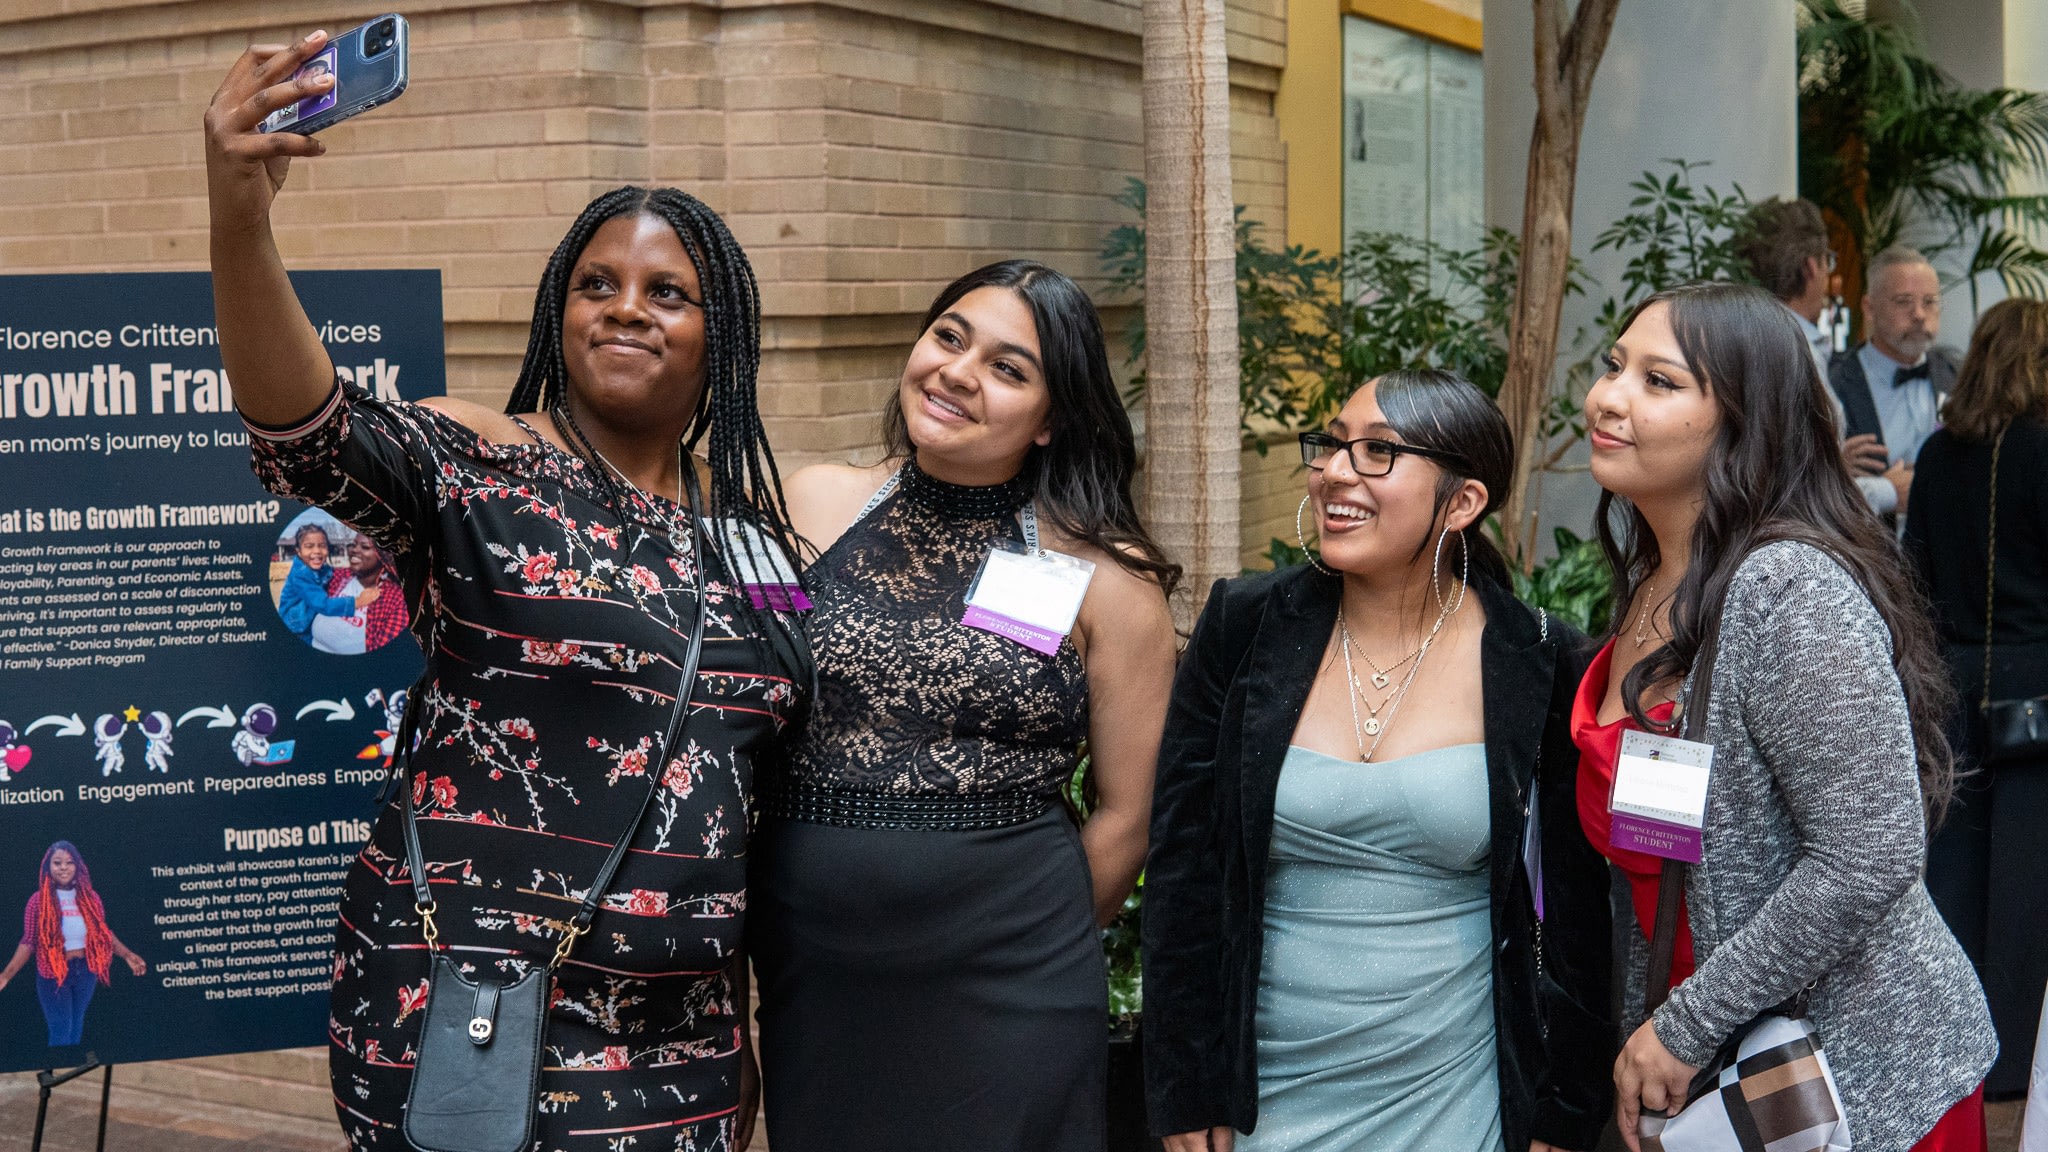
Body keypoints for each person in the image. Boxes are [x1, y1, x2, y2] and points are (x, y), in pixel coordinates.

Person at [205, 30, 809, 1150]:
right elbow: (306, 432)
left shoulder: (755, 538)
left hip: (684, 1038)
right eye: (596, 284)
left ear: (719, 334)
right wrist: (241, 215)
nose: (625, 308)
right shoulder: (483, 462)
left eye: (667, 292)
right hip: (472, 1011)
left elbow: (755, 782)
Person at [750, 260, 1178, 1151]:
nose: (957, 371)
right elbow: (744, 688)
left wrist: (1029, 929)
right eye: (949, 337)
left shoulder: (1109, 582)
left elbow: (1130, 815)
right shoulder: (806, 505)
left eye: (1007, 368)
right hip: (817, 974)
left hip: (1011, 980)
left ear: (1053, 420)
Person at [1143, 369, 1615, 1152]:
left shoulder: (1537, 658)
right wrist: (1184, 1085)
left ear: (1462, 503)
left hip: (1453, 1087)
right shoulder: (1243, 628)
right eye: (1332, 445)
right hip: (1264, 1088)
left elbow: (1575, 916)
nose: (1335, 470)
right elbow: (1183, 870)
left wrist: (1567, 1113)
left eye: (1377, 452)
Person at [1585, 282, 1992, 1150]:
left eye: (1658, 381)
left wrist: (1684, 1025)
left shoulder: (1785, 588)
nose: (1608, 397)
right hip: (1715, 1064)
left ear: (1744, 422)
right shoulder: (1657, 580)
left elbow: (1871, 853)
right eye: (1614, 366)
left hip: (1852, 1084)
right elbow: (1664, 856)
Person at [1906, 297, 2048, 1101]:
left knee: (1954, 875)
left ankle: (1956, 1053)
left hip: (1950, 686)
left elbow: (1913, 576)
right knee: (2027, 884)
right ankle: (2016, 1058)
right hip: (2036, 693)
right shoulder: (2044, 450)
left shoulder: (1936, 454)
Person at [1734, 197, 1904, 515]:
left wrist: (1832, 460)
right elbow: (1791, 489)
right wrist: (1889, 491)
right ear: (1811, 266)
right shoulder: (1790, 351)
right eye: (1829, 261)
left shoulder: (1742, 336)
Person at [1829, 245, 1961, 514]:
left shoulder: (1958, 376)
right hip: (1869, 533)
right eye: (1903, 301)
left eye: (1929, 302)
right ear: (1869, 308)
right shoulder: (1833, 381)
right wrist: (1832, 466)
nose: (1919, 315)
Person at [0, 842, 147, 1048]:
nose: (63, 867)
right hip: (53, 974)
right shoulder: (37, 901)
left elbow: (103, 934)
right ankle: (58, 1065)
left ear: (78, 866)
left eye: (69, 862)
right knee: (61, 1029)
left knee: (76, 1026)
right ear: (48, 867)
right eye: (57, 862)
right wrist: (6, 975)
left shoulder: (91, 898)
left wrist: (127, 954)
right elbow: (29, 941)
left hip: (85, 972)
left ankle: (71, 1064)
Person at [277, 522, 378, 642]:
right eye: (309, 546)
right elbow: (323, 604)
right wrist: (358, 601)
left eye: (322, 546)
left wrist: (358, 570)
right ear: (299, 551)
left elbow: (334, 573)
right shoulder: (300, 575)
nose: (317, 551)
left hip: (308, 617)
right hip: (298, 627)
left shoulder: (321, 567)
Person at [313, 533, 407, 654]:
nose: (355, 550)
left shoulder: (395, 599)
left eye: (365, 547)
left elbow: (384, 654)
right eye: (353, 545)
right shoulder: (340, 576)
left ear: (383, 557)